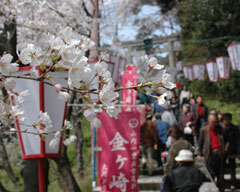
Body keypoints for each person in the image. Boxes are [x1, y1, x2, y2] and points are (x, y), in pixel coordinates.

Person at [198, 113, 225, 192]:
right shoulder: (204, 130)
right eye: (212, 121)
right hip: (210, 154)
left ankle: (221, 189)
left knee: (220, 175)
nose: (214, 123)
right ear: (209, 121)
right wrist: (199, 154)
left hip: (219, 153)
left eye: (215, 121)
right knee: (211, 174)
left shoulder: (221, 129)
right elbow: (200, 143)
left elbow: (225, 140)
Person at [221, 113, 238, 190]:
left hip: (232, 150)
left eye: (227, 120)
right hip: (222, 150)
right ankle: (222, 182)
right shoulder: (220, 128)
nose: (226, 122)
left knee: (232, 167)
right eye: (224, 120)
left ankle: (233, 182)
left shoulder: (234, 128)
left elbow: (237, 139)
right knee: (221, 166)